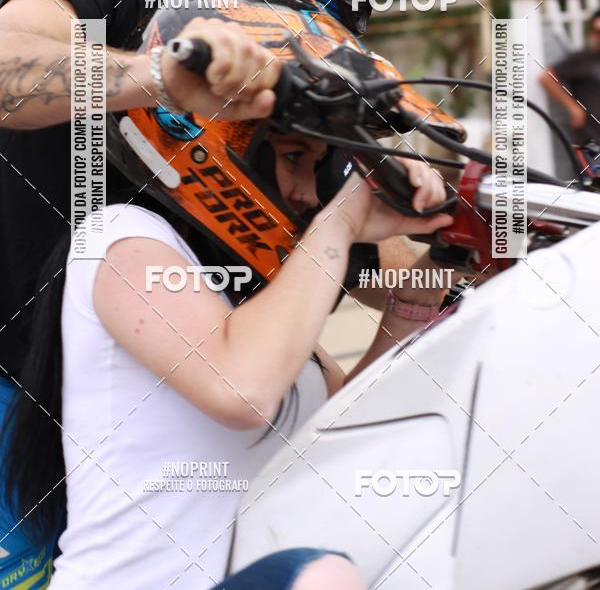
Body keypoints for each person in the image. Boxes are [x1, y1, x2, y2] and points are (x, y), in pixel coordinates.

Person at [0, 0, 451, 580]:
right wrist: (159, 75)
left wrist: (456, 250)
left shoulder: (309, 59)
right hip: (19, 400)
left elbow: (375, 269)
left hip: (191, 409)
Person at [1, 34, 452, 587]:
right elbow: (242, 392)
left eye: (318, 170)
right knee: (324, 577)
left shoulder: (249, 303)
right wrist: (345, 218)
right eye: (293, 159)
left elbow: (347, 432)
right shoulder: (119, 238)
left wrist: (440, 267)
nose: (309, 195)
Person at [538, 8, 600, 144]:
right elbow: (547, 78)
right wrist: (572, 107)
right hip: (592, 142)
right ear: (591, 33)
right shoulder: (583, 58)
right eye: (597, 32)